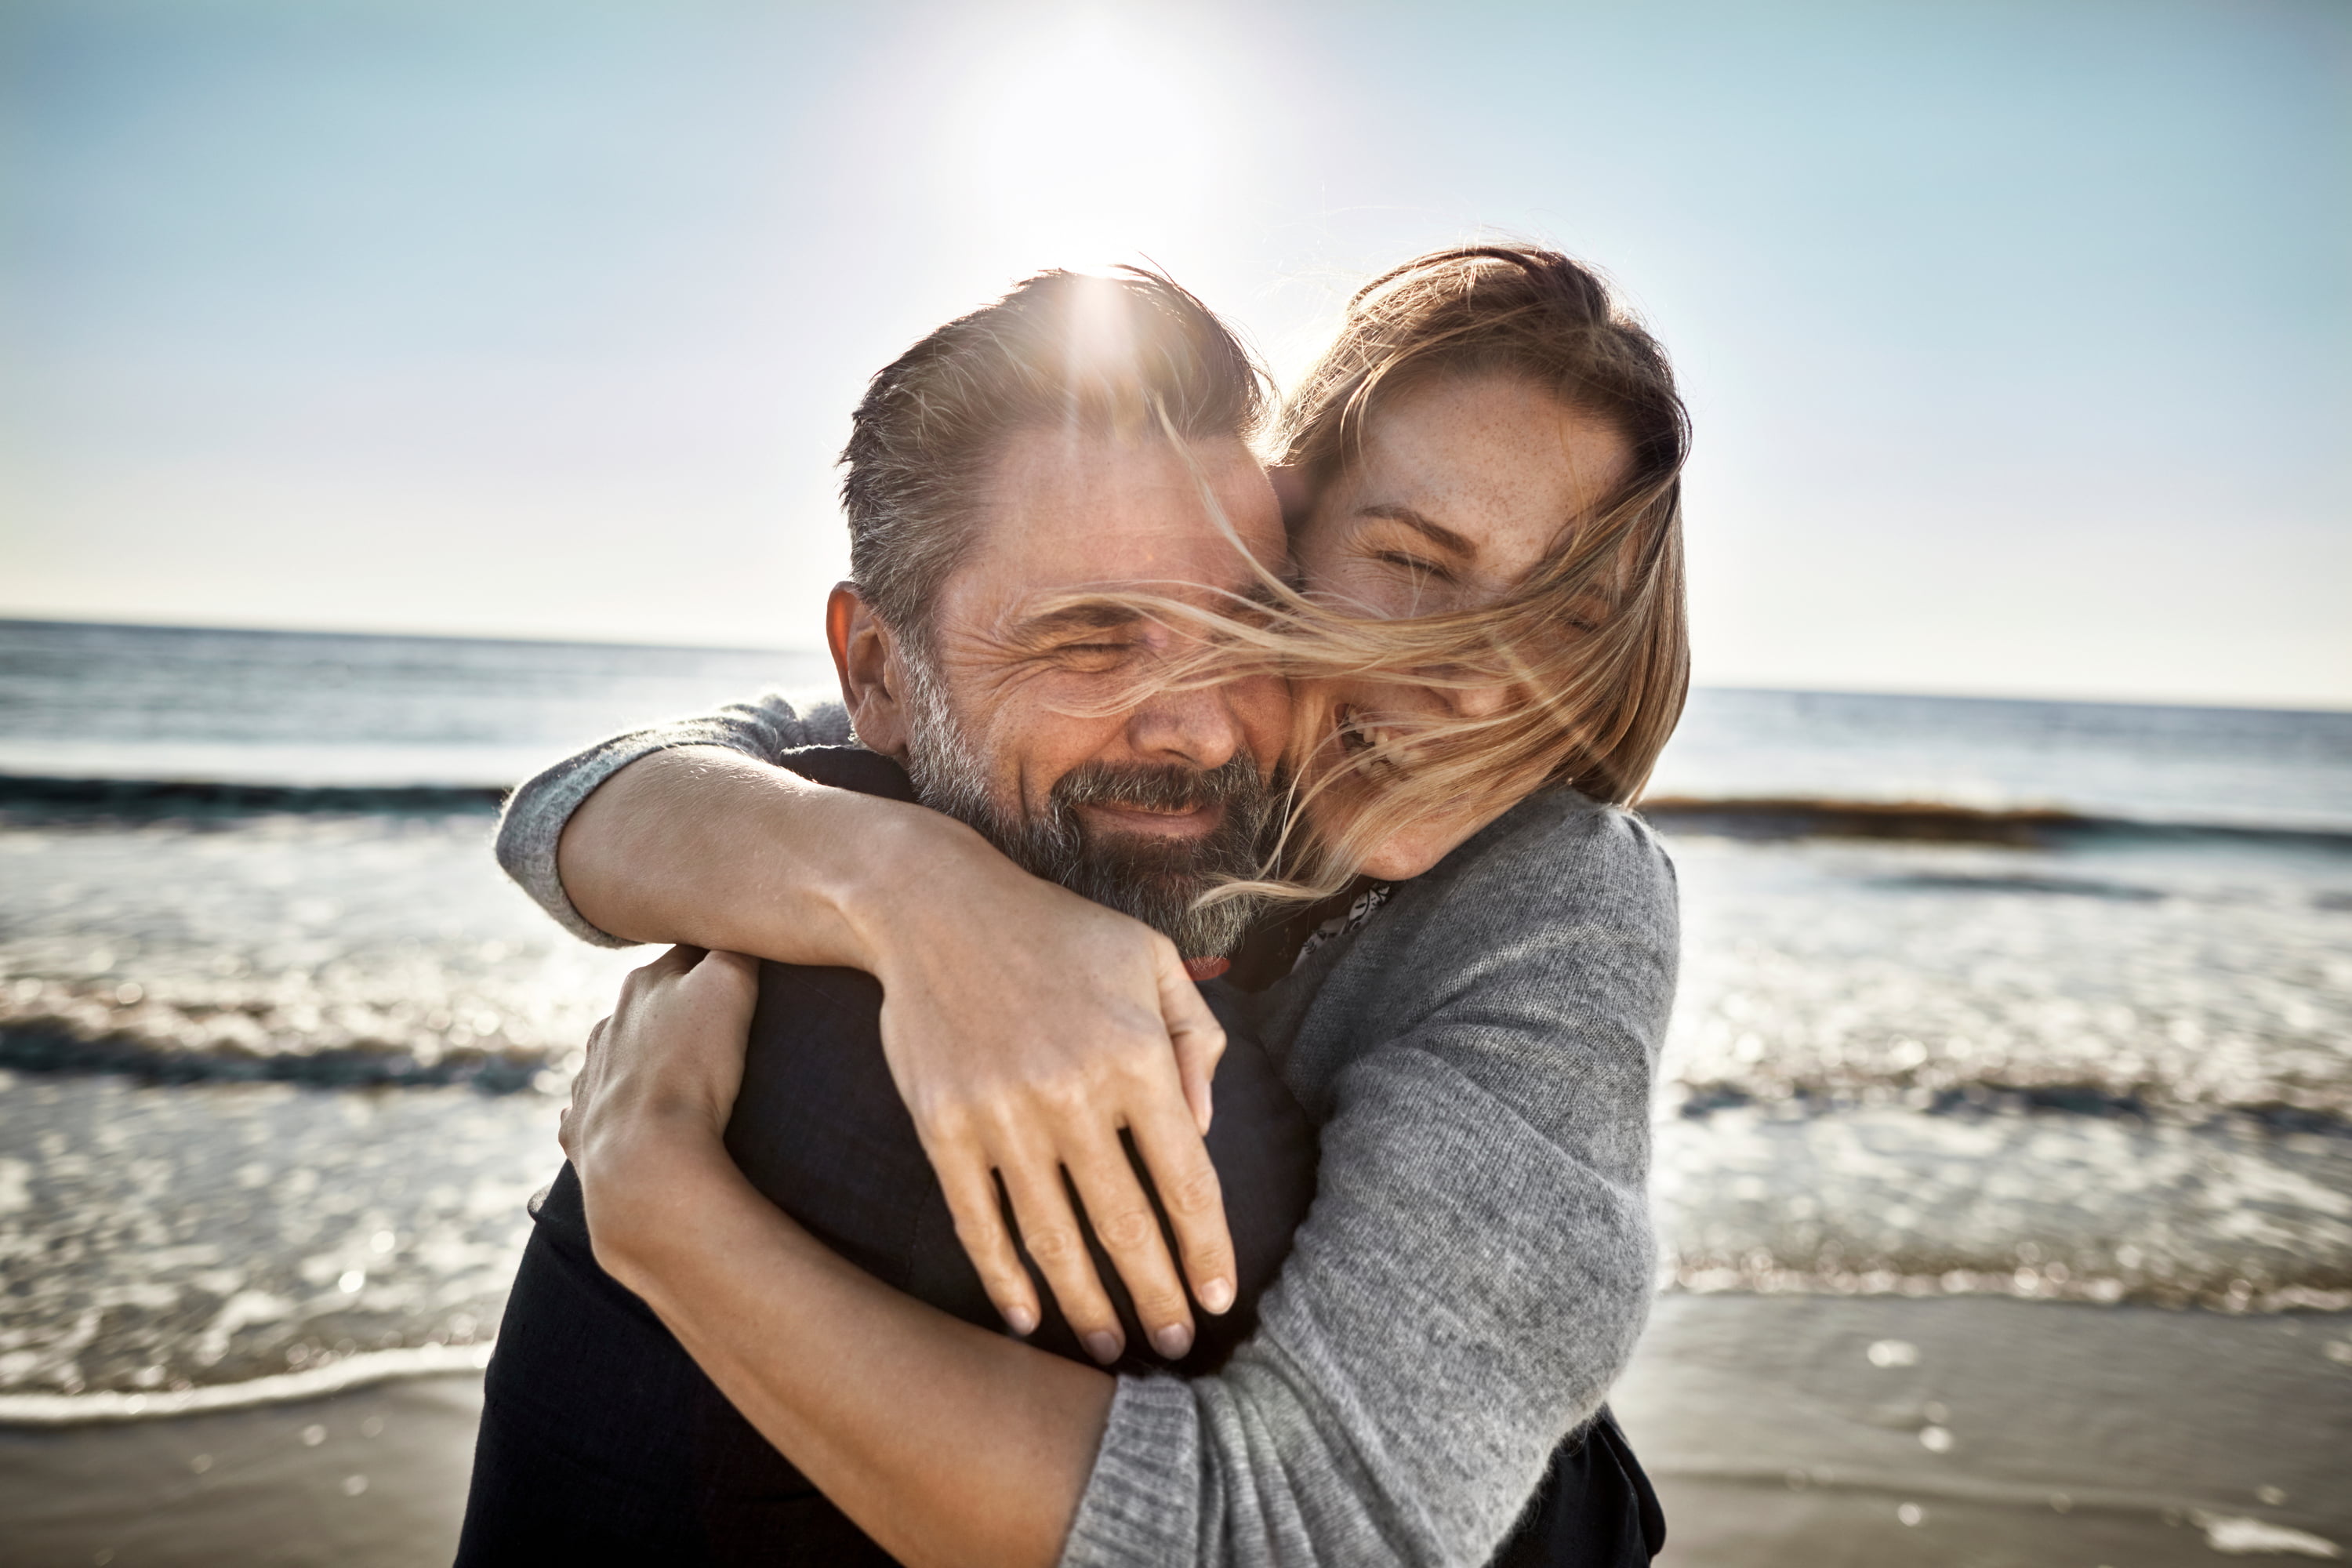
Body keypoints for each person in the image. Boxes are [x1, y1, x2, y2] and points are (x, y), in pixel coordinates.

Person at [472, 249, 1687, 1566]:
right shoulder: (1023, 749)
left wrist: (663, 1211)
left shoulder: (1551, 891)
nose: (1479, 688)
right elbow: (574, 809)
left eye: (1567, 617)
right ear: (1294, 523)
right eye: (1413, 563)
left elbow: (1322, 1535)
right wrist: (916, 893)